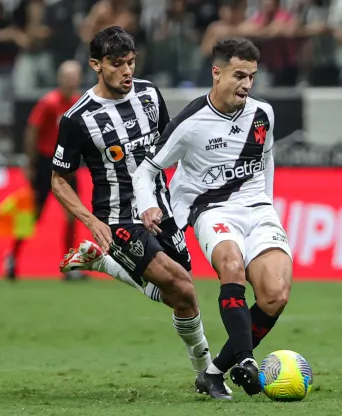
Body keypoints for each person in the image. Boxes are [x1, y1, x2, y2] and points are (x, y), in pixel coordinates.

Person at [49, 26, 224, 388]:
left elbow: (169, 148)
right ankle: (207, 373)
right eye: (117, 64)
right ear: (96, 65)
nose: (127, 71)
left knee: (180, 296)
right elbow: (59, 180)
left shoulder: (148, 95)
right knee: (185, 287)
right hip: (119, 218)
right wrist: (91, 221)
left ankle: (104, 264)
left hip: (161, 211)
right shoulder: (77, 119)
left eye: (131, 62)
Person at [132, 37, 293, 400]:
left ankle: (214, 371)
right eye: (239, 75)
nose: (247, 85)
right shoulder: (190, 122)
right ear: (216, 73)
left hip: (257, 209)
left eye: (252, 76)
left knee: (276, 296)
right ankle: (247, 361)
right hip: (211, 210)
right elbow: (147, 170)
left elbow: (266, 159)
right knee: (232, 266)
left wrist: (266, 202)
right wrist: (148, 205)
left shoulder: (263, 114)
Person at [4, 60, 83, 281]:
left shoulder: (78, 102)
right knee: (34, 215)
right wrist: (29, 162)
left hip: (67, 165)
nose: (71, 80)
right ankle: (12, 257)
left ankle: (70, 267)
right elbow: (32, 131)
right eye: (68, 76)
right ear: (61, 79)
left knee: (72, 215)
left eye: (75, 76)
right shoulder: (49, 102)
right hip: (45, 164)